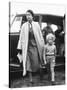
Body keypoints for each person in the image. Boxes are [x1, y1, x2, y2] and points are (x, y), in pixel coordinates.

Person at [17, 10, 45, 82]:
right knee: (28, 63)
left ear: (32, 16)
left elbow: (40, 36)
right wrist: (19, 47)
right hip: (27, 47)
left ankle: (41, 75)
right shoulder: (24, 26)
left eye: (29, 15)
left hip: (36, 47)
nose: (28, 16)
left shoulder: (36, 25)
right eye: (26, 15)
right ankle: (30, 79)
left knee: (37, 62)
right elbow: (21, 37)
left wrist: (42, 45)